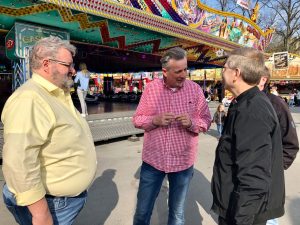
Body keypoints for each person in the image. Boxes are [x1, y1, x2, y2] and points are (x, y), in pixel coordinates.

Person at [1, 36, 97, 225]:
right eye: (67, 65)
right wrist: (41, 214)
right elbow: (19, 162)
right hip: (51, 204)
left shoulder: (56, 92)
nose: (73, 70)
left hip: (61, 202)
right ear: (46, 64)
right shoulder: (30, 99)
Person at [132, 47, 211, 225]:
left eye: (185, 69)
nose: (184, 75)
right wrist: (155, 120)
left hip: (182, 163)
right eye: (178, 71)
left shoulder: (195, 90)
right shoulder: (151, 89)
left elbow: (206, 121)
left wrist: (191, 123)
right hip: (153, 161)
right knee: (142, 211)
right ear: (165, 71)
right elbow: (137, 119)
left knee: (177, 214)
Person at [211, 47, 285, 225]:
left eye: (225, 67)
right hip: (235, 205)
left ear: (236, 73)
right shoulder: (246, 103)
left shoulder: (252, 110)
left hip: (243, 213)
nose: (222, 72)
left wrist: (241, 220)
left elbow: (253, 177)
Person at [258, 66, 299, 225]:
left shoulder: (276, 104)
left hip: (267, 177)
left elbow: (291, 143)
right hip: (242, 181)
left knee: (267, 218)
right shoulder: (238, 103)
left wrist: (275, 168)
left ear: (263, 80)